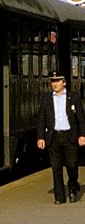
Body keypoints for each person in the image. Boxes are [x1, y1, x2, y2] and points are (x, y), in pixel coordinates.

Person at [36, 71, 85, 204]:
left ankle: (73, 185)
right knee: (56, 167)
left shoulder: (73, 97)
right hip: (54, 136)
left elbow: (80, 118)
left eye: (57, 81)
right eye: (53, 81)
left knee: (71, 164)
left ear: (64, 83)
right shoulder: (46, 99)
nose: (55, 84)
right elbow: (42, 119)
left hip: (70, 136)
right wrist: (40, 137)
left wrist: (82, 135)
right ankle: (59, 197)